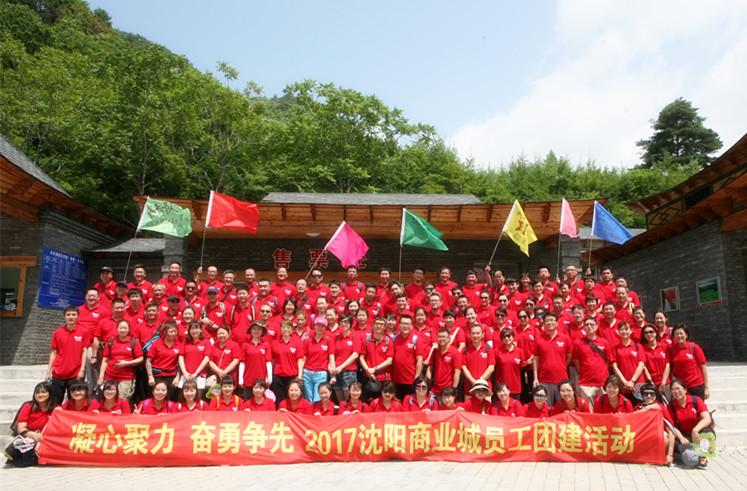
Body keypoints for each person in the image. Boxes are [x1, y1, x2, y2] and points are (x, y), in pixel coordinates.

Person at [4, 382, 55, 467]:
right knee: (9, 454)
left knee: (25, 461)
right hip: (29, 437)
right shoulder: (28, 406)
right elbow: (21, 428)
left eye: (44, 392)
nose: (40, 395)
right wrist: (34, 435)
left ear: (50, 393)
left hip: (46, 439)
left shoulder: (55, 408)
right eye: (37, 393)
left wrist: (40, 440)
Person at [47, 305, 89, 406]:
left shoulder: (84, 331)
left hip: (75, 373)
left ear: (78, 316)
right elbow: (53, 352)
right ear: (64, 317)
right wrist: (48, 371)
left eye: (74, 315)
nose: (71, 317)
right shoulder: (58, 332)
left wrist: (82, 369)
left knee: (75, 402)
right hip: (58, 372)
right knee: (55, 402)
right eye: (68, 315)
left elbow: (84, 351)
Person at [668, 379, 713, 468]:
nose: (676, 391)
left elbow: (707, 418)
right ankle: (686, 457)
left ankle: (702, 457)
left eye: (678, 388)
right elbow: (672, 426)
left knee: (707, 433)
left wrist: (695, 430)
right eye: (673, 389)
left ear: (685, 390)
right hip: (685, 434)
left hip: (699, 432)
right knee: (676, 444)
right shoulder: (671, 405)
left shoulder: (695, 400)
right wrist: (681, 438)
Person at [97, 319, 143, 401]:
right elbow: (105, 360)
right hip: (110, 376)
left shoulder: (134, 342)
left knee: (121, 401)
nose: (123, 330)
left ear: (129, 329)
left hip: (126, 378)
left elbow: (140, 359)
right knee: (108, 399)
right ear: (117, 329)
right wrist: (101, 377)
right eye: (120, 328)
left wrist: (127, 363)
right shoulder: (111, 342)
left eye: (125, 328)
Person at [532, 312, 572, 407]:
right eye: (547, 321)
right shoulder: (539, 338)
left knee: (563, 406)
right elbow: (536, 359)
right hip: (544, 379)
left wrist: (560, 366)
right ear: (544, 323)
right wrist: (535, 378)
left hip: (561, 379)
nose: (549, 323)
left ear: (557, 322)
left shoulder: (565, 338)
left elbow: (569, 357)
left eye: (552, 320)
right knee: (546, 407)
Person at [573, 316, 610, 409]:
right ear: (584, 327)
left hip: (602, 381)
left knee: (604, 408)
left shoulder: (604, 342)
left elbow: (608, 361)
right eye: (586, 325)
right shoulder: (578, 343)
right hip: (586, 382)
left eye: (592, 324)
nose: (589, 326)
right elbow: (577, 362)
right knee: (588, 409)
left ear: (597, 326)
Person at [634, 383, 676, 466]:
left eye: (652, 394)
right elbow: (632, 417)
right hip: (643, 436)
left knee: (665, 436)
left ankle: (661, 457)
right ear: (642, 396)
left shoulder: (661, 407)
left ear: (656, 395)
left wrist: (670, 455)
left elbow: (670, 431)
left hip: (657, 435)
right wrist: (648, 408)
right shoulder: (639, 406)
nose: (649, 396)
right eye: (646, 394)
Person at [300, 317, 335, 402]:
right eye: (318, 325)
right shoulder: (308, 340)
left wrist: (333, 376)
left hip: (321, 374)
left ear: (325, 328)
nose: (320, 328)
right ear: (314, 326)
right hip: (307, 373)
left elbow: (331, 358)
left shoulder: (328, 340)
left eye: (322, 326)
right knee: (308, 399)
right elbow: (303, 359)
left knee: (318, 398)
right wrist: (300, 374)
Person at [670, 325, 709, 400]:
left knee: (698, 406)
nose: (679, 336)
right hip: (681, 387)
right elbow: (671, 368)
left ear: (686, 335)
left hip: (696, 385)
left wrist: (706, 388)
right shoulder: (672, 350)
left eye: (681, 333)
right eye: (676, 334)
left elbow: (703, 367)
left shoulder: (694, 347)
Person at [271, 320, 304, 407]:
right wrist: (270, 375)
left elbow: (300, 359)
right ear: (280, 329)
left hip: (292, 375)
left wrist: (300, 375)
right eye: (283, 327)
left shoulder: (296, 342)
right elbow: (273, 360)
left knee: (293, 399)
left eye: (288, 327)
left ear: (292, 329)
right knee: (279, 400)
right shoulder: (275, 343)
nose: (286, 329)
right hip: (278, 375)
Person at [145, 319, 181, 400]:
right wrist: (150, 376)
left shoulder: (179, 345)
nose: (173, 334)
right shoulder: (156, 344)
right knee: (156, 398)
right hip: (157, 376)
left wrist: (177, 377)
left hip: (171, 376)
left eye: (175, 331)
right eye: (171, 332)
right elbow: (148, 361)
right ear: (165, 332)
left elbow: (180, 363)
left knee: (170, 399)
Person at [610, 321, 646, 401]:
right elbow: (615, 367)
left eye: (626, 329)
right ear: (618, 332)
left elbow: (641, 365)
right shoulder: (615, 348)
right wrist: (624, 381)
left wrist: (632, 381)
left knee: (640, 406)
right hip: (623, 385)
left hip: (638, 384)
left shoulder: (638, 346)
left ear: (631, 331)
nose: (624, 332)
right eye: (622, 329)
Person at [330, 314, 361, 403]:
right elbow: (332, 354)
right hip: (336, 372)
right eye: (341, 322)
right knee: (340, 401)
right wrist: (333, 370)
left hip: (349, 373)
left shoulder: (355, 336)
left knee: (350, 400)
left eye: (346, 322)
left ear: (350, 323)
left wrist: (341, 367)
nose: (344, 324)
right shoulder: (336, 337)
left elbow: (355, 355)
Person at [178, 320, 212, 400]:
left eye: (196, 328)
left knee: (197, 399)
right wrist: (184, 372)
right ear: (189, 331)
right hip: (186, 375)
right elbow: (181, 357)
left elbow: (206, 358)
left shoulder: (206, 342)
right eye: (192, 329)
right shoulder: (185, 342)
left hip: (199, 375)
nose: (194, 331)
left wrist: (196, 373)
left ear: (200, 330)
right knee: (184, 399)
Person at [427, 328, 462, 402]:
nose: (441, 339)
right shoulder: (435, 351)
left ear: (449, 339)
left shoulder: (455, 353)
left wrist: (454, 388)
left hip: (448, 390)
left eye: (443, 337)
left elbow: (457, 372)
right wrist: (428, 384)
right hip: (434, 390)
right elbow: (430, 368)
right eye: (439, 337)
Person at [240, 321, 273, 392]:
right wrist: (240, 378)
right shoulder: (245, 344)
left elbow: (268, 362)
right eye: (254, 329)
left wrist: (270, 377)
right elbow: (242, 362)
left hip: (261, 378)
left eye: (259, 329)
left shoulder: (266, 345)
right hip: (248, 378)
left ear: (262, 331)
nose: (256, 331)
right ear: (250, 330)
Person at [494, 328, 525, 400]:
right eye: (504, 337)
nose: (506, 338)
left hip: (515, 387)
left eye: (508, 336)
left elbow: (521, 367)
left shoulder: (519, 352)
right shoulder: (497, 351)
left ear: (513, 337)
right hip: (501, 388)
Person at [641, 324, 671, 397]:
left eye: (651, 332)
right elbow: (644, 367)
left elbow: (668, 365)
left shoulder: (664, 346)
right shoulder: (642, 348)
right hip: (652, 384)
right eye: (646, 332)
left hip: (666, 382)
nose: (649, 334)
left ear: (656, 333)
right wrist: (651, 382)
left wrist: (663, 382)